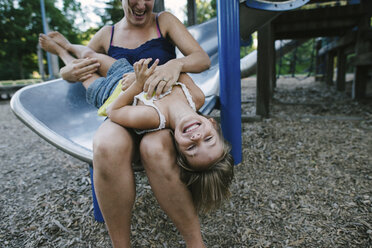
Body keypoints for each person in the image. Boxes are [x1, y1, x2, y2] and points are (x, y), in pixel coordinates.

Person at [40, 1, 218, 247]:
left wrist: (174, 64)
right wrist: (65, 72)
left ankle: (195, 243)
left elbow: (201, 59)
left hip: (160, 112)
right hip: (123, 104)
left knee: (154, 147)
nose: (141, 3)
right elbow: (85, 62)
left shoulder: (163, 21)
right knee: (106, 145)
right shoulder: (107, 33)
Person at [40, 33, 234, 212]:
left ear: (178, 146)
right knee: (91, 55)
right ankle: (69, 45)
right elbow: (178, 74)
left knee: (84, 72)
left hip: (108, 93)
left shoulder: (155, 117)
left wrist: (138, 85)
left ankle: (61, 52)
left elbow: (113, 111)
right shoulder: (197, 97)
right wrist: (151, 73)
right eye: (208, 139)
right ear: (213, 124)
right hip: (128, 72)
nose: (197, 137)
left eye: (191, 148)